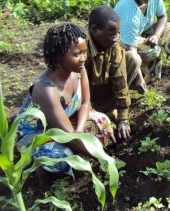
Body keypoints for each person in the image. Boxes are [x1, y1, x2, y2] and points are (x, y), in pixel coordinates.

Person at [15, 22, 115, 184]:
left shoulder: (79, 70)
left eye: (84, 52)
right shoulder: (46, 88)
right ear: (59, 56)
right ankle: (41, 172)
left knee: (101, 122)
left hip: (65, 125)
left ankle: (80, 154)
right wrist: (104, 159)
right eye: (76, 54)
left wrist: (80, 131)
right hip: (37, 134)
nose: (83, 58)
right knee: (59, 156)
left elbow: (85, 103)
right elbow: (67, 137)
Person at [114, 0, 170, 90]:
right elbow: (130, 50)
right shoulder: (129, 13)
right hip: (122, 41)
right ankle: (140, 77)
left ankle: (160, 69)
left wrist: (156, 35)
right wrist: (138, 77)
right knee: (154, 50)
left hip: (143, 31)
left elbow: (162, 16)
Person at [85, 5, 143, 141]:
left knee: (133, 58)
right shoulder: (80, 49)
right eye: (111, 35)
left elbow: (120, 81)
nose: (115, 39)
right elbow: (78, 91)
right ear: (94, 30)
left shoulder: (113, 44)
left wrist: (123, 118)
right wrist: (92, 116)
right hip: (85, 97)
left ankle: (109, 110)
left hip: (104, 91)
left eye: (117, 34)